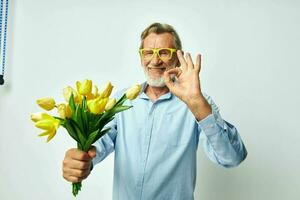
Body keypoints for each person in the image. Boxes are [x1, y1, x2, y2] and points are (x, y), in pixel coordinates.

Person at [62, 22, 247, 200]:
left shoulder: (197, 103)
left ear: (177, 58)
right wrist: (81, 161)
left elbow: (231, 158)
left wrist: (198, 103)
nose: (155, 60)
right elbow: (96, 148)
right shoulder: (121, 100)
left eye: (164, 53)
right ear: (141, 57)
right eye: (148, 52)